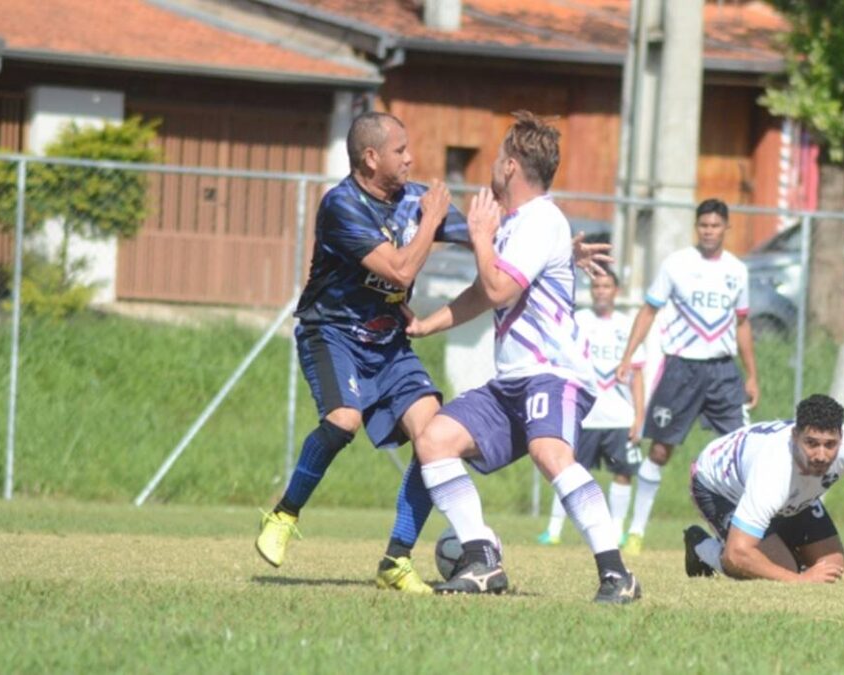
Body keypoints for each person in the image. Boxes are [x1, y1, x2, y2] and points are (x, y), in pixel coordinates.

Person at [406, 111, 640, 603]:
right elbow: (482, 292)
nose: (491, 166)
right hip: (512, 380)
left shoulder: (539, 220)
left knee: (550, 454)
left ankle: (617, 573)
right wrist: (428, 323)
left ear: (510, 166)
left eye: (496, 157)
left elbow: (497, 286)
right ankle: (481, 561)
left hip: (552, 374)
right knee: (434, 439)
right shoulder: (518, 225)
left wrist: (480, 236)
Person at [254, 112, 464, 595]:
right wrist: (431, 219)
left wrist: (548, 251)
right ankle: (285, 513)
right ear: (371, 158)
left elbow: (481, 235)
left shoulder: (411, 200)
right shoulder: (341, 206)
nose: (411, 158)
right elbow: (399, 272)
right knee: (343, 420)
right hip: (333, 333)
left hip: (388, 340)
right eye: (401, 150)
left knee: (435, 437)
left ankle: (396, 559)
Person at [615, 198, 759, 555]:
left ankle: (748, 537)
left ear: (727, 228)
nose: (709, 231)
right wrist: (628, 354)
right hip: (681, 369)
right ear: (698, 227)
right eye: (703, 226)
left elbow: (742, 323)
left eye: (715, 226)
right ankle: (635, 532)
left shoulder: (737, 271)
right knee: (660, 449)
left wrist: (751, 375)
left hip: (723, 372)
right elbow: (649, 310)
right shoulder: (676, 264)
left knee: (744, 451)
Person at [682, 394, 844, 584]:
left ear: (841, 438)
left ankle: (785, 557)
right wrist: (799, 580)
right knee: (779, 570)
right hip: (720, 487)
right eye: (811, 443)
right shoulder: (773, 469)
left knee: (832, 565)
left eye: (830, 445)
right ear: (795, 436)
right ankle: (701, 547)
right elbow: (737, 553)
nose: (821, 455)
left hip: (790, 496)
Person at [537, 268, 645, 546]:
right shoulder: (577, 322)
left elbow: (638, 375)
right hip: (583, 416)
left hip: (620, 416)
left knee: (622, 474)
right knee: (564, 471)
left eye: (607, 286)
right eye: (596, 286)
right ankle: (554, 531)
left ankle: (617, 530)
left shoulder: (627, 326)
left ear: (616, 291)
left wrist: (639, 416)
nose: (601, 291)